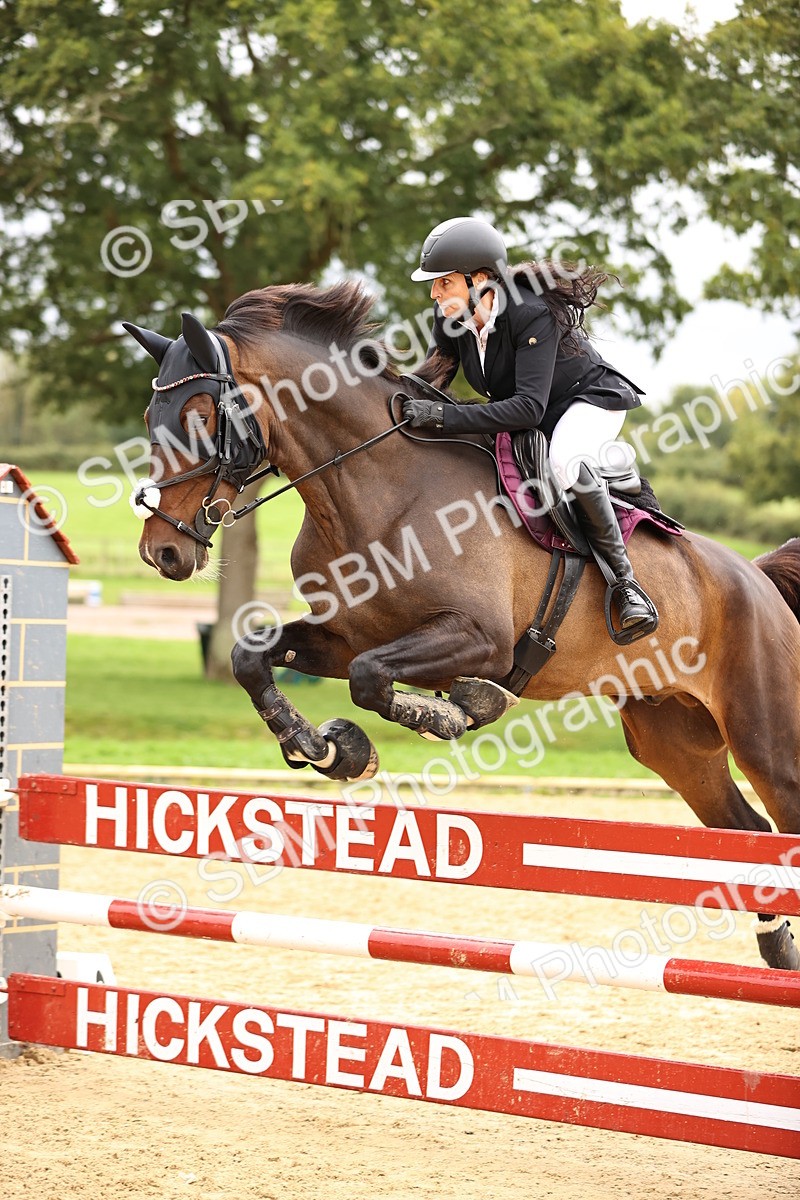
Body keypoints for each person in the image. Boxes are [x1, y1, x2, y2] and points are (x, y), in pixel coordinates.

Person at [402, 216, 656, 635]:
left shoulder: (530, 313)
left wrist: (444, 417)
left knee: (563, 462)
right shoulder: (450, 316)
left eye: (443, 282)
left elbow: (526, 410)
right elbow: (436, 373)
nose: (434, 293)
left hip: (587, 400)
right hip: (533, 406)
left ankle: (626, 585)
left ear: (480, 278)